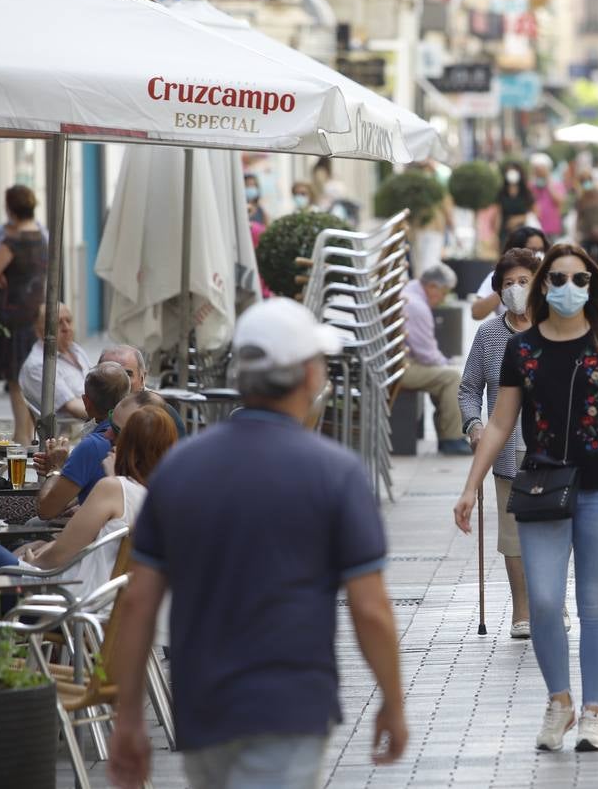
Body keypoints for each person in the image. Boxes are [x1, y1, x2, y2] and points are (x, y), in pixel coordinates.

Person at [107, 298, 406, 789]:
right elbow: (370, 609)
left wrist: (129, 719)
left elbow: (138, 601)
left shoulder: (180, 468)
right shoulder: (335, 472)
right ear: (310, 375)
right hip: (290, 703)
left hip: (202, 704)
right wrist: (393, 702)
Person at [453, 244, 598, 753]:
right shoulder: (522, 349)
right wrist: (472, 485)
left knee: (594, 605)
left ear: (593, 286)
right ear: (545, 286)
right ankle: (559, 700)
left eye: (580, 280)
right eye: (557, 279)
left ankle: (593, 712)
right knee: (542, 601)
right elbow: (501, 421)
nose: (568, 289)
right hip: (541, 484)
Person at [0, 405, 177, 597]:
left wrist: (29, 562)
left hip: (62, 600)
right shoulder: (159, 500)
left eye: (118, 435)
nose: (108, 437)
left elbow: (55, 557)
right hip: (97, 607)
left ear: (130, 447)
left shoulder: (113, 488)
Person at [458, 249, 538, 638]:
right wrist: (474, 425)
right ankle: (522, 612)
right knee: (513, 535)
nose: (516, 289)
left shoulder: (557, 327)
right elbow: (469, 388)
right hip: (506, 448)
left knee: (551, 530)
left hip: (552, 449)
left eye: (523, 281)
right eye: (508, 283)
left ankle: (552, 605)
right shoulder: (489, 335)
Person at [0, 185, 47, 443]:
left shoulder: (12, 242)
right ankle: (37, 443)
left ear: (10, 209)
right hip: (37, 318)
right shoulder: (42, 239)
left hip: (14, 322)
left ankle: (21, 445)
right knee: (33, 388)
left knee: (18, 389)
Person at [33, 363, 130, 519]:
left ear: (86, 402)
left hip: (95, 538)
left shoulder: (92, 445)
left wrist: (55, 469)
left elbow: (46, 511)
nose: (109, 436)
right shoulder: (139, 434)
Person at [398, 264, 472, 456]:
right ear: (432, 287)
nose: (443, 299)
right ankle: (452, 439)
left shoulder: (411, 291)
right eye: (444, 292)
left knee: (444, 374)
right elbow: (427, 354)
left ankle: (447, 434)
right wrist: (447, 364)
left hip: (398, 361)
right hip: (399, 367)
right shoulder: (417, 306)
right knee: (451, 377)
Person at [18, 304, 92, 420]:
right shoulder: (38, 365)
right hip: (72, 432)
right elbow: (72, 407)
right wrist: (110, 417)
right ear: (40, 330)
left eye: (69, 321)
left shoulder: (75, 349)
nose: (66, 327)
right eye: (58, 323)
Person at [471, 226, 549, 320]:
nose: (538, 254)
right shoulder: (499, 275)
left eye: (541, 250)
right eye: (532, 250)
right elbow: (477, 313)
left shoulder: (550, 277)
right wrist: (504, 286)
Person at [494, 160, 532, 247]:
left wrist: (519, 219)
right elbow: (498, 214)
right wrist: (495, 235)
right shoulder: (502, 192)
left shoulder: (526, 192)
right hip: (505, 233)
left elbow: (536, 212)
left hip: (523, 233)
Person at [528, 152, 565, 239]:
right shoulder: (530, 185)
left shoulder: (556, 184)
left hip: (552, 227)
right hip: (535, 226)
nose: (540, 172)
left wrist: (548, 183)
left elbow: (559, 201)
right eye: (537, 170)